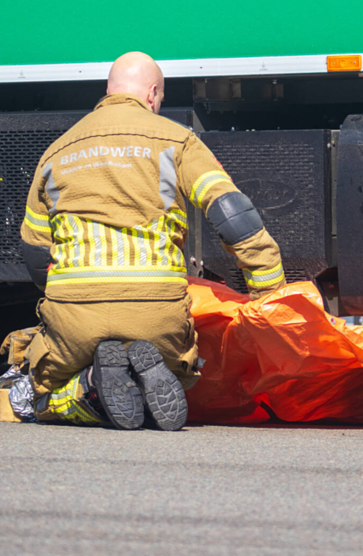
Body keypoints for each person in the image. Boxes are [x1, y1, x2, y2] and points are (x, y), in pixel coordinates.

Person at [19, 51, 285, 430]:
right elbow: (231, 214)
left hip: (75, 307)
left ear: (108, 91)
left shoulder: (56, 151)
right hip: (157, 308)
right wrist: (270, 296)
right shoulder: (177, 139)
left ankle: (90, 386)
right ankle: (156, 373)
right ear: (152, 93)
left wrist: (68, 307)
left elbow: (34, 251)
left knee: (41, 394)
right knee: (178, 373)